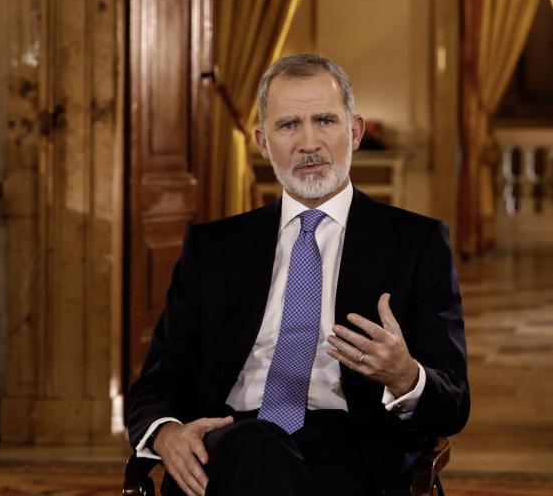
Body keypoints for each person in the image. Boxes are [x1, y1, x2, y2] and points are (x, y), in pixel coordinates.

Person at [126, 54, 469, 496]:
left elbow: (454, 403)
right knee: (254, 448)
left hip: (353, 449)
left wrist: (405, 376)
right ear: (262, 143)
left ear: (355, 132)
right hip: (231, 441)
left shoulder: (416, 244)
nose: (309, 143)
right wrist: (168, 435)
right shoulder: (213, 249)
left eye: (325, 120)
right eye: (288, 125)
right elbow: (157, 379)